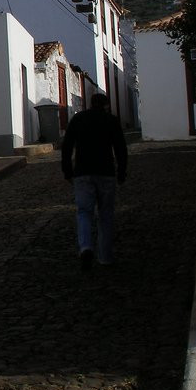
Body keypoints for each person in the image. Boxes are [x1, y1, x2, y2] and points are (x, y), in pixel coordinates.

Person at [61, 93, 128, 271]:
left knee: (84, 212)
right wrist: (121, 172)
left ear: (90, 104)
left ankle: (85, 247)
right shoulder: (111, 120)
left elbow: (67, 146)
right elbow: (120, 148)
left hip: (82, 173)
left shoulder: (78, 119)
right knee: (105, 215)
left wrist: (67, 171)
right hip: (106, 173)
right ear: (105, 105)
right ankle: (105, 257)